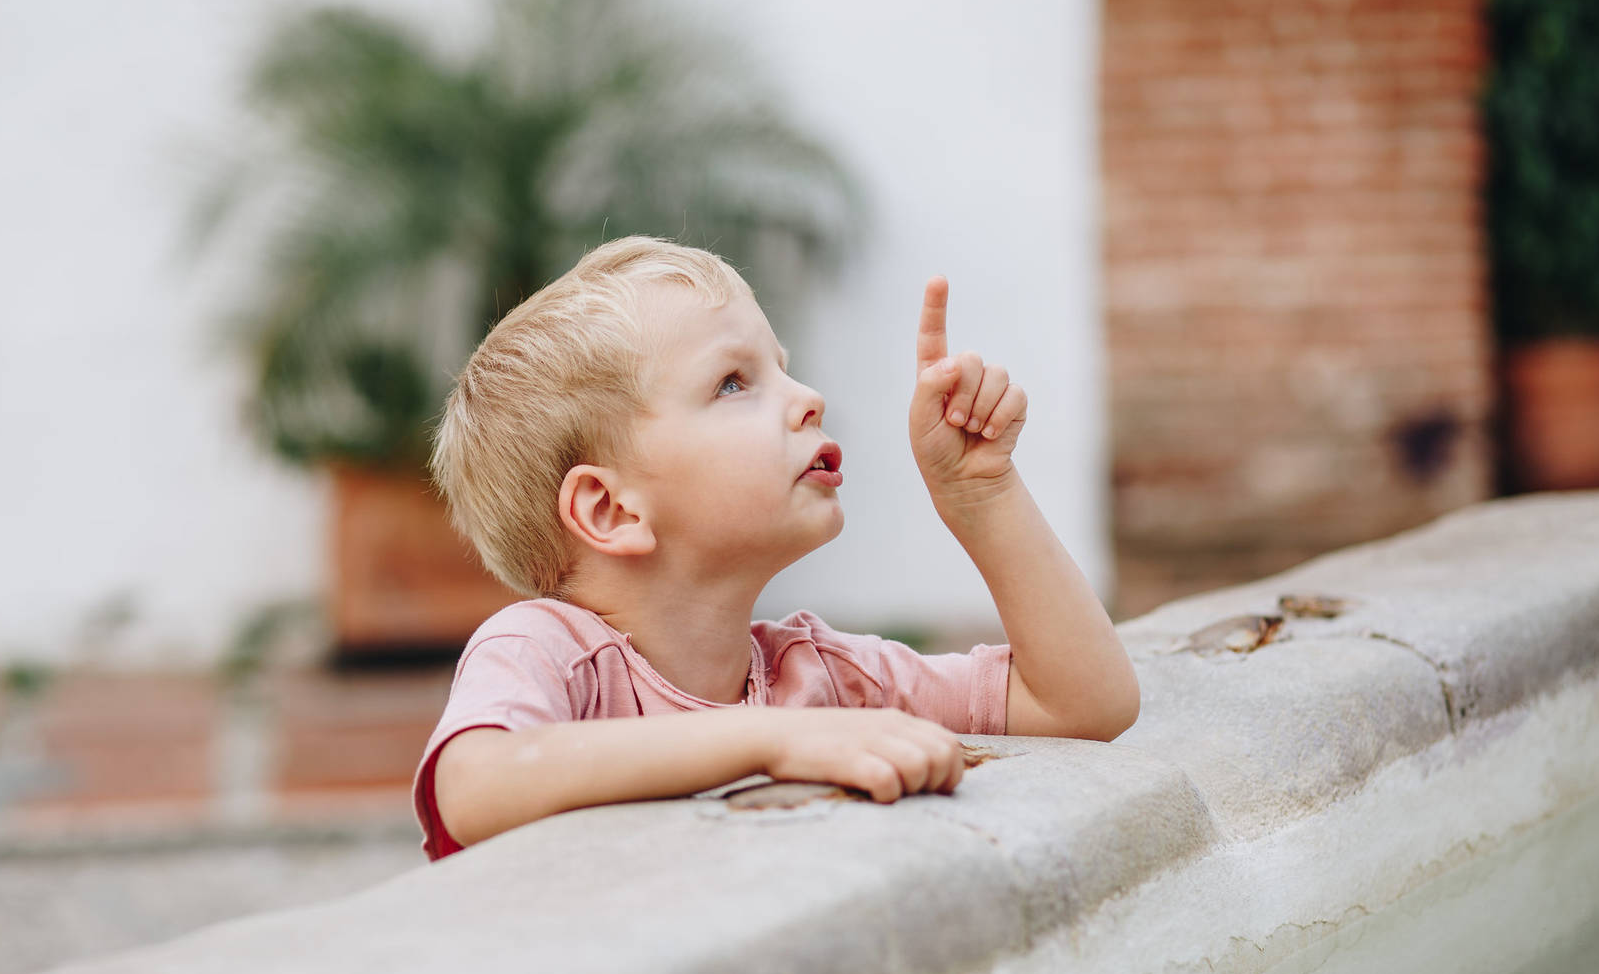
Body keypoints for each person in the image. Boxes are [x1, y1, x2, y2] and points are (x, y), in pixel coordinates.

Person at [413, 236, 1139, 859]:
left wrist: (981, 495)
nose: (808, 396)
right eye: (733, 383)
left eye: (781, 367)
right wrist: (770, 741)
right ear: (611, 508)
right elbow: (472, 785)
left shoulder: (817, 676)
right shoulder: (548, 652)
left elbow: (1084, 704)